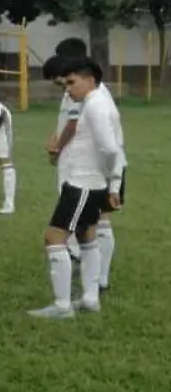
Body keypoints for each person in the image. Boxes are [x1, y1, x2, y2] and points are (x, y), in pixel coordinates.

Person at [30, 57, 124, 318]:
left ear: (90, 80)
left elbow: (111, 148)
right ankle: (90, 299)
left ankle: (62, 306)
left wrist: (112, 181)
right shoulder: (94, 103)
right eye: (65, 85)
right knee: (87, 237)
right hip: (91, 183)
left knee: (54, 238)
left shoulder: (94, 105)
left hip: (83, 184)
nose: (68, 90)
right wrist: (110, 184)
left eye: (72, 83)